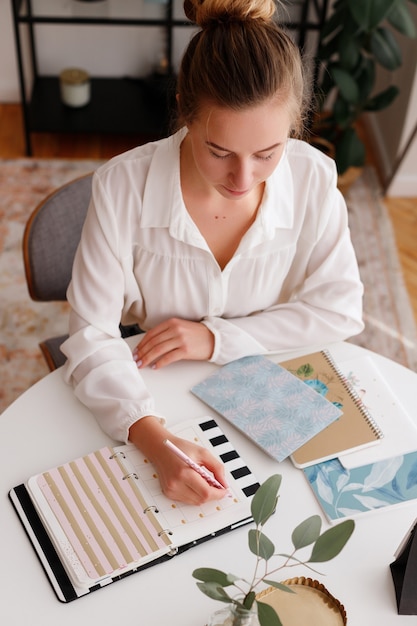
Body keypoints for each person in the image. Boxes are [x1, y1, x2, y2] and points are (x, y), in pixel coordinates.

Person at [62, 0, 364, 506]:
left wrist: (215, 338)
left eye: (267, 154)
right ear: (184, 109)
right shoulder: (122, 186)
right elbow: (91, 334)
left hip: (266, 378)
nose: (243, 180)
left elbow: (339, 310)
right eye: (219, 152)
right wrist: (155, 442)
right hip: (152, 380)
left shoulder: (312, 177)